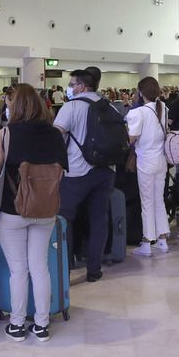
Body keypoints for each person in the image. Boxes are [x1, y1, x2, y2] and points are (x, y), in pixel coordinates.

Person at [0, 84, 66, 342]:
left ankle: (17, 325)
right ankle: (41, 325)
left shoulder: (6, 134)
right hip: (46, 209)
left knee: (19, 270)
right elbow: (61, 171)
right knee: (40, 268)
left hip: (12, 211)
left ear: (13, 106)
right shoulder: (54, 134)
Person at [55, 69, 116, 283]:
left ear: (81, 86)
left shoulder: (70, 107)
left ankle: (65, 269)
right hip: (104, 171)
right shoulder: (107, 105)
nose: (70, 88)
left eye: (72, 84)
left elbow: (56, 137)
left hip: (76, 172)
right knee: (99, 220)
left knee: (64, 219)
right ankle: (94, 270)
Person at [127, 76, 170, 257]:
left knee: (147, 202)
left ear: (141, 92)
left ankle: (146, 242)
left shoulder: (138, 113)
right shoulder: (164, 108)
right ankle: (162, 240)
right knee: (158, 199)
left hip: (146, 161)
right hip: (161, 161)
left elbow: (132, 138)